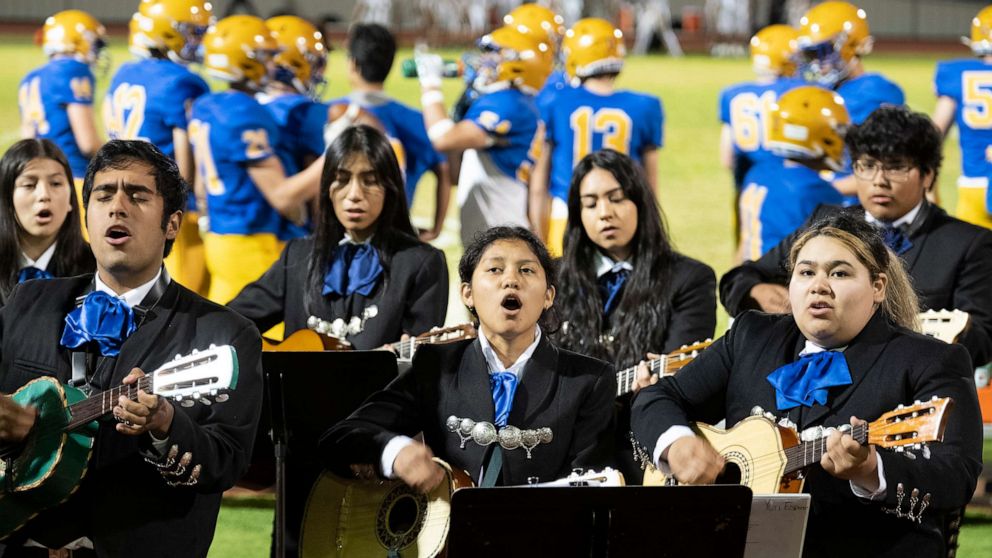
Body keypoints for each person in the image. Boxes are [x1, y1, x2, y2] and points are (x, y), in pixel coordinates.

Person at [632, 212, 983, 557]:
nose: (819, 285)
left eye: (840, 273)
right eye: (806, 272)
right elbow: (658, 397)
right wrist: (676, 444)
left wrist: (871, 471)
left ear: (878, 287)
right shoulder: (750, 335)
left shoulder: (931, 360)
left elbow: (955, 475)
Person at [0, 139, 262, 557]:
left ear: (172, 224)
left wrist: (165, 424)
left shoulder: (225, 333)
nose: (117, 207)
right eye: (104, 195)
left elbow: (226, 463)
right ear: (88, 218)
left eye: (137, 195)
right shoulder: (27, 302)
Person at [319, 226, 616, 490]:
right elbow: (340, 436)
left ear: (549, 296)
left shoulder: (590, 380)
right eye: (495, 270)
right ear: (467, 293)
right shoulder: (436, 368)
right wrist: (395, 452)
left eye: (526, 270)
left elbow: (588, 491)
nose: (510, 280)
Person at [720, 106, 992, 368]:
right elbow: (737, 280)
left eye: (896, 167)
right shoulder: (824, 221)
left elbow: (982, 340)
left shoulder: (969, 243)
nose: (879, 180)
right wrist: (764, 295)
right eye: (867, 166)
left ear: (928, 176)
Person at [554, 149, 715, 483]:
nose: (605, 213)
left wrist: (649, 392)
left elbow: (683, 379)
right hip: (559, 447)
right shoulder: (551, 279)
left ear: (640, 201)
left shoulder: (689, 279)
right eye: (591, 203)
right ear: (577, 213)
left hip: (639, 449)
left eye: (617, 198)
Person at [228, 124, 448, 349]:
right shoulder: (298, 255)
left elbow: (423, 366)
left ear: (390, 188)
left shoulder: (421, 263)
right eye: (342, 180)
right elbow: (230, 322)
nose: (354, 195)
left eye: (370, 181)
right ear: (326, 189)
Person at [189, 15, 323, 305]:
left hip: (218, 237)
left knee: (223, 331)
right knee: (270, 342)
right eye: (266, 57)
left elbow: (200, 188)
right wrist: (334, 156)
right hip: (250, 242)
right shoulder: (245, 114)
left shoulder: (206, 104)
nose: (274, 66)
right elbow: (282, 197)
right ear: (245, 61)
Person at [105, 0, 215, 296]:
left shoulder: (124, 71)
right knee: (179, 294)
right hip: (162, 199)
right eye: (191, 32)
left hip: (120, 190)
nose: (198, 40)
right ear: (167, 33)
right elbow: (186, 148)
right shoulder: (185, 81)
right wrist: (189, 198)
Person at [532, 18, 664, 255]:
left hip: (568, 214)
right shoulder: (645, 105)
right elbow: (650, 182)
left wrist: (536, 231)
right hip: (622, 215)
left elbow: (539, 181)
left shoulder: (555, 101)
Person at [416, 24, 552, 248]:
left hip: (502, 241)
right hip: (495, 236)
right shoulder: (514, 103)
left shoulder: (508, 104)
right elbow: (457, 175)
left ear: (517, 65)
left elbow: (443, 139)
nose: (484, 62)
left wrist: (430, 84)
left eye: (494, 55)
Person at [333, 23, 451, 241]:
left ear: (353, 63)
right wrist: (436, 228)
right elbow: (445, 171)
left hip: (340, 233)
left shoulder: (332, 113)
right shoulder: (418, 120)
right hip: (397, 236)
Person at [796, 1, 905, 198]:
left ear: (853, 45)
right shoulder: (819, 91)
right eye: (811, 54)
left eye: (824, 52)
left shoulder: (875, 93)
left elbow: (886, 171)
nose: (817, 63)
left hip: (859, 212)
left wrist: (819, 190)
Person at [738, 85, 846, 261]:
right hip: (781, 280)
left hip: (750, 273)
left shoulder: (758, 172)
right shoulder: (815, 190)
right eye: (836, 132)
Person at [19, 10, 106, 216]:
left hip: (35, 179)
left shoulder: (31, 77)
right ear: (78, 41)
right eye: (95, 44)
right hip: (72, 177)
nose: (97, 51)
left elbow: (27, 139)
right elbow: (87, 143)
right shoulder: (74, 70)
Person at [0, 139, 94, 305]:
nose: (44, 195)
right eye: (29, 185)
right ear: (7, 198)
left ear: (71, 200)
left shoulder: (97, 269)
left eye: (56, 183)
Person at [718, 24, 803, 193]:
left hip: (749, 189)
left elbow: (727, 159)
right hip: (788, 187)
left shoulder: (732, 94)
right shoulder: (799, 90)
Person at [931, 4, 992, 230]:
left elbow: (934, 134)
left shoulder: (958, 74)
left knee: (973, 259)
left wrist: (929, 186)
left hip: (973, 188)